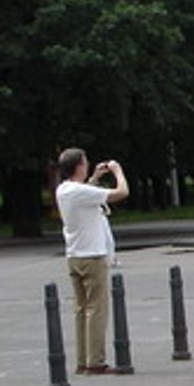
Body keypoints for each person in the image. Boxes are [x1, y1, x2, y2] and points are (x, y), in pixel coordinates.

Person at [55, 148, 129, 374]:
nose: (87, 165)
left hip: (74, 256)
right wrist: (118, 171)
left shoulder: (64, 190)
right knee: (97, 309)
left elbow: (85, 191)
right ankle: (95, 361)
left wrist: (95, 178)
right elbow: (121, 192)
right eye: (85, 163)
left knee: (81, 310)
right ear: (78, 166)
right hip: (92, 256)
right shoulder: (79, 192)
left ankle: (82, 360)